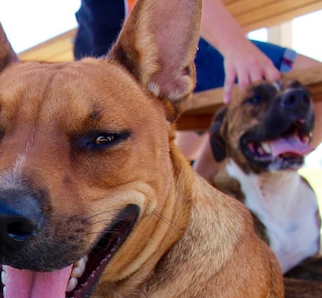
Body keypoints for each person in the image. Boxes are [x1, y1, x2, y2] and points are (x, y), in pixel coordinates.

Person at [74, 0, 321, 180]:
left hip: (107, 38)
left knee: (188, 143)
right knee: (314, 88)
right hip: (132, 38)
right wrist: (236, 47)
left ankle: (208, 200)